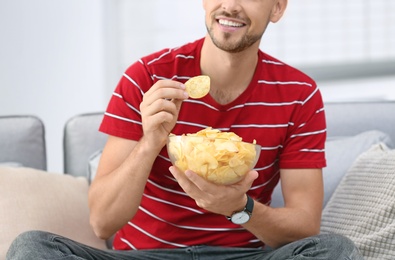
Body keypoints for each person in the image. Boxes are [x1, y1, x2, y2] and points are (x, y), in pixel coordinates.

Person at [7, 0, 363, 259]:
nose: (231, 6)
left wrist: (240, 207)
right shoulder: (146, 78)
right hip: (144, 256)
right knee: (31, 248)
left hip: (244, 257)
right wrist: (152, 141)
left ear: (278, 8)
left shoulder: (299, 95)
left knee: (336, 250)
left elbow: (305, 226)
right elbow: (102, 223)